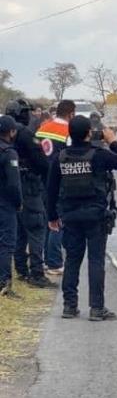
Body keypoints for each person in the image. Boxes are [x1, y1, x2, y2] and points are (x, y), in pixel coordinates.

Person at [46, 115, 117, 320]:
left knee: (73, 261)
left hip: (71, 217)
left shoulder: (60, 157)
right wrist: (112, 141)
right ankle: (96, 308)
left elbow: (51, 189)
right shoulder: (99, 155)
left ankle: (69, 306)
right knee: (95, 261)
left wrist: (52, 216)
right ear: (88, 134)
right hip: (95, 216)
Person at [5, 99, 54, 289]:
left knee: (18, 230)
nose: (30, 115)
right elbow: (42, 162)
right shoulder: (25, 134)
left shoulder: (5, 134)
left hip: (10, 189)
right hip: (29, 187)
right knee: (36, 227)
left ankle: (21, 270)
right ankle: (36, 273)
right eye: (26, 112)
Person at [37, 99, 75, 276]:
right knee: (57, 222)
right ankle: (54, 262)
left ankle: (44, 259)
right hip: (60, 181)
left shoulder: (43, 128)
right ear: (71, 113)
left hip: (40, 179)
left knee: (46, 218)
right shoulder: (68, 131)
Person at [0, 116, 22, 298]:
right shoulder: (9, 153)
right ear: (11, 132)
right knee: (7, 244)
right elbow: (14, 184)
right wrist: (18, 202)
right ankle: (4, 284)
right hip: (5, 204)